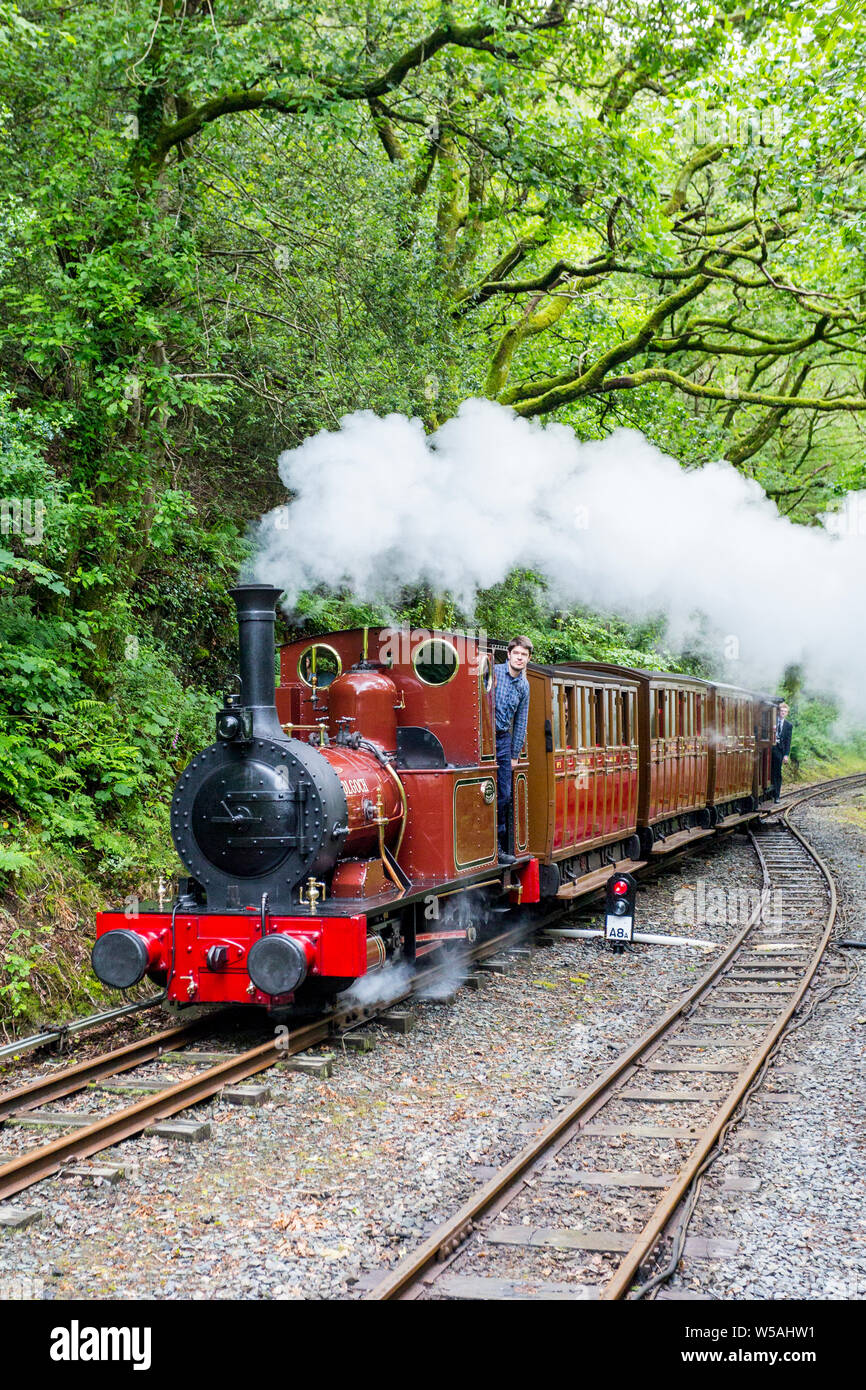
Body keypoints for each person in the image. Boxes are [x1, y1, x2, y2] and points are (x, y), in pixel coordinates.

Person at [493, 635, 533, 863]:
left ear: (528, 659)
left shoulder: (524, 686)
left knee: (505, 794)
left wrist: (515, 754)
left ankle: (498, 847)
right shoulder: (493, 673)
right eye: (516, 653)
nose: (519, 658)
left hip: (504, 740)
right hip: (484, 738)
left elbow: (521, 721)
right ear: (508, 655)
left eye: (524, 655)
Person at [770, 700, 792, 803]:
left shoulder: (788, 725)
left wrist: (786, 755)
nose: (782, 713)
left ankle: (777, 795)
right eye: (781, 711)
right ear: (778, 711)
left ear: (787, 713)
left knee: (777, 772)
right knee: (769, 771)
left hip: (780, 750)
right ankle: (769, 793)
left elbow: (788, 741)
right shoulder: (772, 721)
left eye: (785, 711)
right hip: (770, 748)